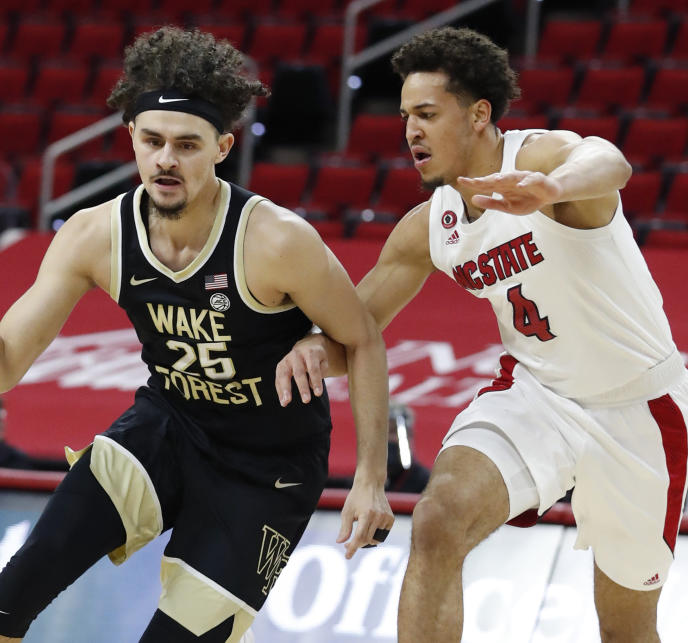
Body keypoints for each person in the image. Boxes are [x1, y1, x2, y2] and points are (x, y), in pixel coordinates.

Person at [0, 27, 393, 643]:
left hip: (267, 469)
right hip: (166, 428)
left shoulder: (277, 240)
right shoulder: (95, 234)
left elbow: (362, 340)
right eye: (151, 141)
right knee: (4, 604)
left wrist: (370, 477)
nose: (166, 160)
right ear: (132, 140)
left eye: (186, 144)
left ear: (223, 146)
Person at [275, 26, 688, 643]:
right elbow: (353, 330)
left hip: (639, 408)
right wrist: (312, 344)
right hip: (537, 395)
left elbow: (610, 160)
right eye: (405, 115)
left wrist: (554, 189)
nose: (410, 130)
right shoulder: (428, 227)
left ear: (478, 115)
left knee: (626, 631)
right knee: (439, 517)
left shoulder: (540, 160)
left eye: (427, 114)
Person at [386, 402, 429, 493]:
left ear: (409, 436)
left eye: (393, 431)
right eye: (381, 432)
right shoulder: (359, 482)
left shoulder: (426, 482)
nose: (387, 438)